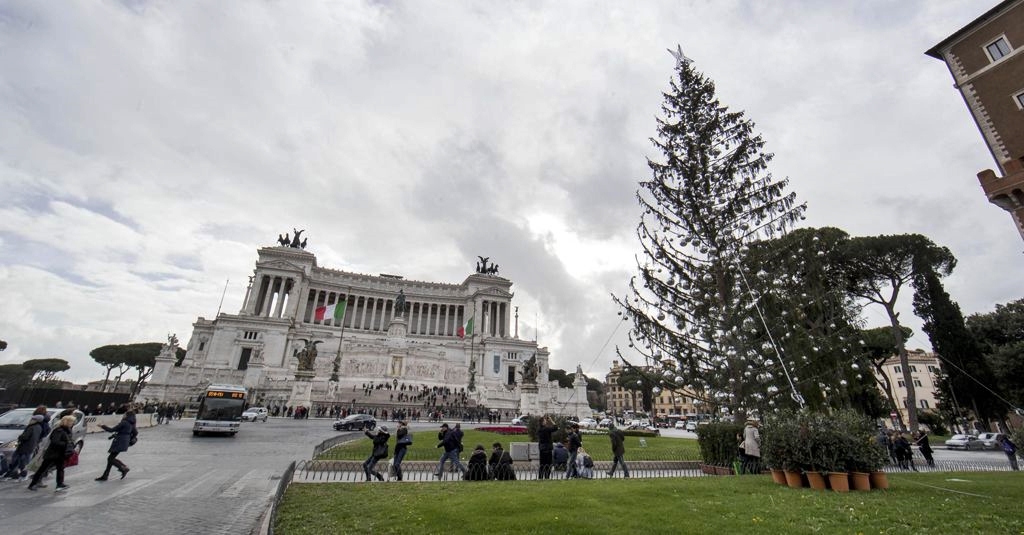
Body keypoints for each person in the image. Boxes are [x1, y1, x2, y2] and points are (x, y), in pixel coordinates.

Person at [27, 415, 75, 492]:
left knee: (60, 469)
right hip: (53, 454)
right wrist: (66, 443)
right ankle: (32, 484)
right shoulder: (59, 430)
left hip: (60, 454)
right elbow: (55, 441)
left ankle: (59, 484)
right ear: (68, 422)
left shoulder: (66, 430)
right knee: (42, 469)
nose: (73, 423)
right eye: (72, 422)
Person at [96, 410, 137, 481]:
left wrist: (102, 425)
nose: (123, 415)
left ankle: (123, 468)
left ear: (127, 415)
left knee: (110, 459)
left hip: (119, 441)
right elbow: (135, 432)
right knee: (110, 458)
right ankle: (105, 475)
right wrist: (128, 438)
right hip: (124, 442)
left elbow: (111, 430)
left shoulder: (124, 422)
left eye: (124, 414)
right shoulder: (131, 423)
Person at [3, 414, 44, 480]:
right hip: (30, 447)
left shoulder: (31, 427)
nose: (31, 420)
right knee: (21, 461)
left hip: (24, 446)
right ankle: (14, 474)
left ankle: (20, 475)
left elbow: (25, 437)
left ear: (36, 420)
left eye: (33, 419)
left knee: (20, 461)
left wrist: (20, 437)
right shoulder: (39, 427)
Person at [536, 415, 558, 480]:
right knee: (548, 465)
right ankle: (547, 477)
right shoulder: (546, 429)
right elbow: (556, 427)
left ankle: (540, 477)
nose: (546, 422)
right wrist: (551, 420)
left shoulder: (539, 429)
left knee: (542, 465)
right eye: (545, 421)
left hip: (542, 449)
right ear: (543, 422)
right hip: (548, 449)